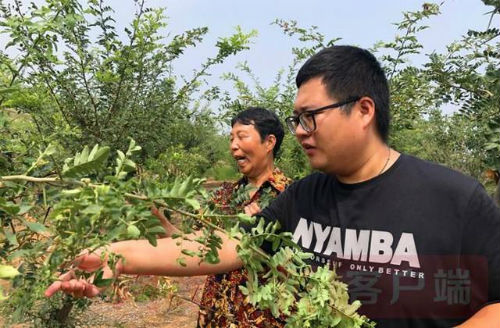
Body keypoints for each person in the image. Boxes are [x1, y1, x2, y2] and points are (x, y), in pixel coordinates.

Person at [45, 46, 500, 328]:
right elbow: (224, 244)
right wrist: (117, 256)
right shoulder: (304, 197)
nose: (299, 131)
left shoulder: (454, 199)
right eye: (294, 119)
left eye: (309, 116)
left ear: (363, 110)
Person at [155, 107, 291, 327]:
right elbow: (194, 247)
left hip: (261, 319)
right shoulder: (223, 196)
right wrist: (161, 224)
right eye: (231, 138)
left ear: (269, 142)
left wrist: (263, 234)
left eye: (241, 137)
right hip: (215, 314)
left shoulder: (290, 197)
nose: (233, 145)